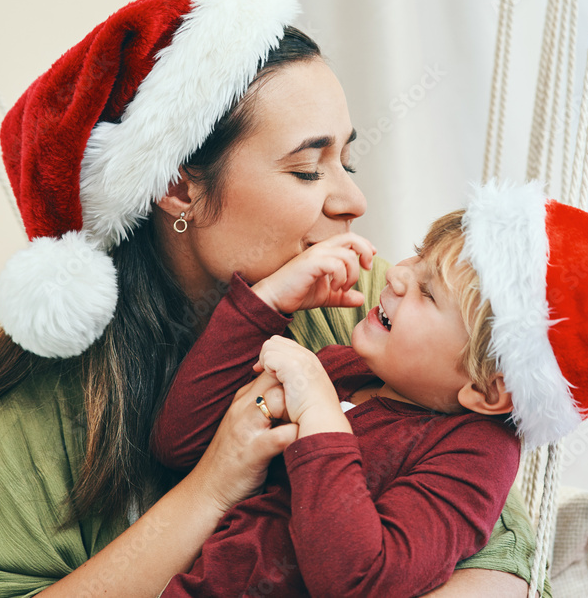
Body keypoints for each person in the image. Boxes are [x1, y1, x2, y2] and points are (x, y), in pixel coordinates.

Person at [0, 0, 547, 598]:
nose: (353, 200)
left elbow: (495, 552)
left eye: (347, 159)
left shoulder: (370, 303)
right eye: (309, 170)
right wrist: (217, 480)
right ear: (178, 186)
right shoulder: (33, 402)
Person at [152, 215, 522, 597]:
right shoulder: (343, 368)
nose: (396, 275)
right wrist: (266, 302)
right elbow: (179, 443)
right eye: (417, 256)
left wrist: (320, 414)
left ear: (485, 390)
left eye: (428, 291)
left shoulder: (476, 452)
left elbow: (360, 580)